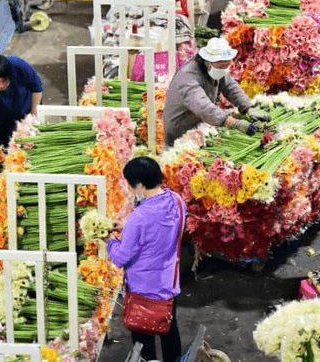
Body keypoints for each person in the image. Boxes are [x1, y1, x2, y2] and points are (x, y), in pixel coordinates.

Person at [106, 156, 186, 362]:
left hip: (143, 289)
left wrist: (109, 240)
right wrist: (128, 229)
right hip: (168, 282)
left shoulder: (139, 217)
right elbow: (166, 231)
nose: (132, 190)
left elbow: (120, 258)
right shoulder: (178, 201)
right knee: (169, 327)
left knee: (143, 338)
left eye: (132, 186)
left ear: (140, 185)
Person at [163, 37, 270, 147]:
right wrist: (235, 123)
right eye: (222, 66)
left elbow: (231, 87)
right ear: (209, 62)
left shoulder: (215, 68)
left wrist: (248, 108)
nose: (225, 69)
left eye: (227, 65)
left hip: (200, 128)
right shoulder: (188, 77)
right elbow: (203, 106)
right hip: (180, 132)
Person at [0, 55, 43, 147]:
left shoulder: (19, 65)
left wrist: (33, 116)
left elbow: (37, 87)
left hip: (27, 107)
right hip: (4, 117)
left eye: (3, 81)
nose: (0, 86)